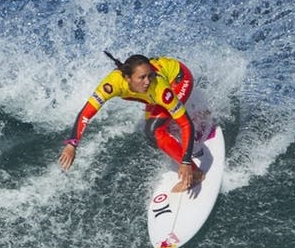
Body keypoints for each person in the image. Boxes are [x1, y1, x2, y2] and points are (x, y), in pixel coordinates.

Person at [58, 51, 205, 192]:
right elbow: (86, 113)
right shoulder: (113, 84)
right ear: (128, 78)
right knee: (152, 138)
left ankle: (196, 172)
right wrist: (72, 144)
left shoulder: (159, 88)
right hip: (150, 92)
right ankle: (190, 120)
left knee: (154, 132)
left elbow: (185, 124)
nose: (147, 81)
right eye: (142, 78)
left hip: (179, 79)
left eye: (149, 76)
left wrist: (185, 163)